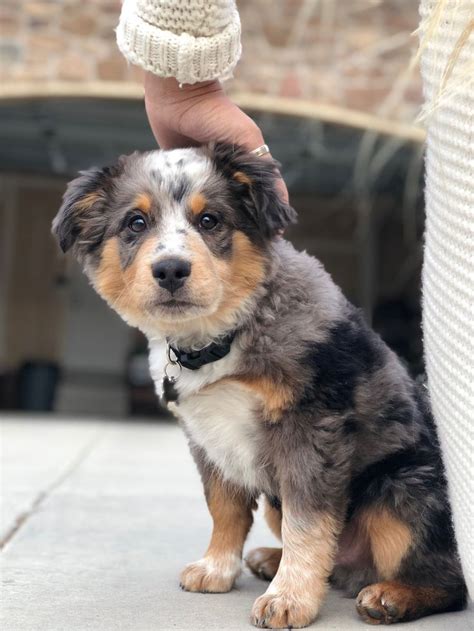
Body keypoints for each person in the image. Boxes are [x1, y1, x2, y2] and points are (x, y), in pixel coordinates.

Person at [116, 0, 473, 597]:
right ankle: (250, 549)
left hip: (381, 490)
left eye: (209, 224)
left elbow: (315, 446)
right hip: (308, 498)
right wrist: (183, 80)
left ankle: (420, 583)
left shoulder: (297, 334)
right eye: (135, 226)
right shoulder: (175, 347)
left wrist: (300, 572)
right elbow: (219, 447)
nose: (171, 255)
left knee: (405, 498)